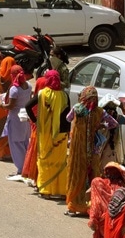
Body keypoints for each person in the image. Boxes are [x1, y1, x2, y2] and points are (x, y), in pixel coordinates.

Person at [65, 86, 116, 216]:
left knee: (76, 174)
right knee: (93, 174)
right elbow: (113, 123)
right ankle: (93, 205)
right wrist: (101, 125)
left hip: (78, 150)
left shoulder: (77, 109)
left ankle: (75, 205)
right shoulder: (100, 112)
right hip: (94, 150)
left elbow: (68, 118)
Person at [35, 70, 70, 198]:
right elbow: (68, 116)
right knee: (60, 163)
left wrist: (35, 120)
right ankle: (61, 191)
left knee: (45, 161)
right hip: (61, 135)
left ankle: (45, 191)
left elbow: (28, 106)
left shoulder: (42, 94)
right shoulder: (64, 96)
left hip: (46, 134)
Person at [0, 64, 33, 179]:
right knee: (24, 143)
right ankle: (27, 167)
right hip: (25, 117)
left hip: (16, 118)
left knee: (16, 144)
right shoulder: (28, 85)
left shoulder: (14, 89)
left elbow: (10, 105)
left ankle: (21, 169)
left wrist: (0, 105)